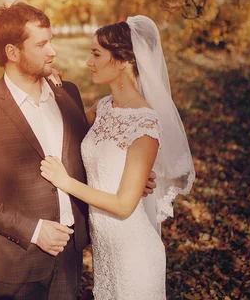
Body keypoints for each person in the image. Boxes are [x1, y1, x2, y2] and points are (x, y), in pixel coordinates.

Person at [0, 3, 156, 300]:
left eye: (51, 40)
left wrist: (133, 176)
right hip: (20, 264)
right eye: (42, 44)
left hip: (72, 256)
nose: (53, 51)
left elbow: (89, 152)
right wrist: (32, 230)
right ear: (12, 52)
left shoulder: (68, 93)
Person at [40, 16, 195, 299]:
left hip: (134, 257)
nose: (89, 62)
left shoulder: (145, 122)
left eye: (97, 54)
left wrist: (65, 182)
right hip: (105, 255)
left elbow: (124, 205)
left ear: (124, 60)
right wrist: (52, 88)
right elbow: (68, 130)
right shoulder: (104, 107)